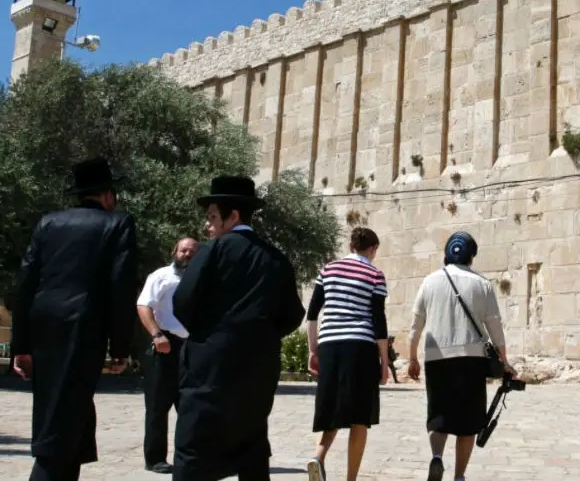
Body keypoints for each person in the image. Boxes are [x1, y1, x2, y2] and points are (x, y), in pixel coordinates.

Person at [11, 157, 140, 481]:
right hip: (82, 327)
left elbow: (25, 284)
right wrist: (120, 347)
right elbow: (121, 287)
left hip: (43, 324)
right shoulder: (118, 223)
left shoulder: (48, 223)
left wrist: (21, 345)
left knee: (67, 411)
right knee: (60, 423)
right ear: (107, 194)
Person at [171, 176, 306, 481]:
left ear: (232, 216)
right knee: (252, 445)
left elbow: (183, 301)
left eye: (212, 217)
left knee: (194, 448)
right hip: (258, 370)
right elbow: (293, 314)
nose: (208, 225)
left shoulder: (212, 251)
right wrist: (260, 337)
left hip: (209, 368)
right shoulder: (276, 259)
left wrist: (208, 335)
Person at [407, 232, 514, 481]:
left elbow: (415, 326)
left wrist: (412, 358)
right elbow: (495, 329)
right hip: (471, 359)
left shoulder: (429, 282)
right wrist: (504, 361)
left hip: (436, 357)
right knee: (468, 423)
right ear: (471, 256)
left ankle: (436, 457)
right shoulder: (482, 284)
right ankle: (459, 476)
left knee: (438, 416)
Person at [305, 227, 391, 481]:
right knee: (360, 417)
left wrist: (312, 350)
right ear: (372, 249)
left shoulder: (328, 269)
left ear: (351, 246)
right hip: (360, 347)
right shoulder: (375, 274)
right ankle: (351, 479)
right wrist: (384, 361)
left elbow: (312, 313)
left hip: (330, 345)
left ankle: (318, 457)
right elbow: (379, 321)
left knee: (334, 407)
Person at [137, 237, 199, 474]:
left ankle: (189, 457)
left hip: (191, 347)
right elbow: (143, 306)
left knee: (190, 406)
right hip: (164, 346)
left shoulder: (201, 279)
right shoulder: (160, 276)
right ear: (175, 251)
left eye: (192, 252)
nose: (187, 255)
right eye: (183, 250)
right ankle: (155, 459)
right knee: (157, 406)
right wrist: (156, 334)